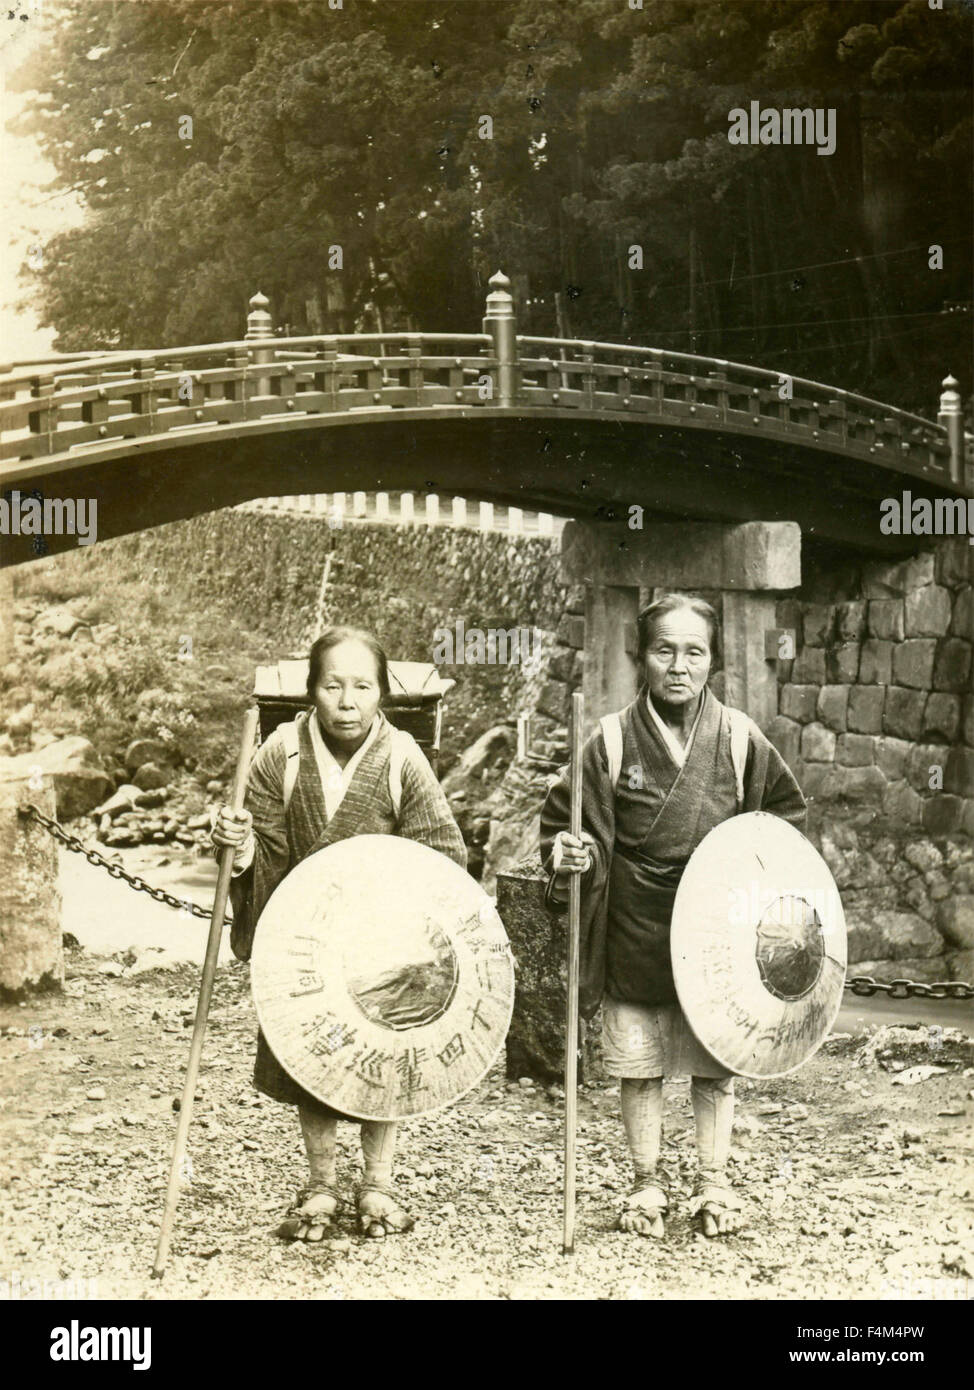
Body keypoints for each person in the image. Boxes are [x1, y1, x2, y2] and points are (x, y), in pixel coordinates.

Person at [540, 594, 805, 1239]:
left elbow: (784, 822)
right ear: (642, 656)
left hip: (717, 930)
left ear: (713, 660)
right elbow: (565, 822)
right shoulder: (607, 739)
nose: (679, 666)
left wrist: (756, 886)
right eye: (664, 650)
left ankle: (714, 1181)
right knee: (642, 1063)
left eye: (695, 651)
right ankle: (645, 1183)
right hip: (635, 921)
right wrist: (569, 852)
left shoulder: (741, 739)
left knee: (716, 1061)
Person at [211, 626, 466, 1241]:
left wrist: (398, 913)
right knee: (312, 1057)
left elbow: (443, 854)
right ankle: (321, 1184)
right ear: (311, 692)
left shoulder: (403, 758)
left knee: (386, 1053)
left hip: (384, 943)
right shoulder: (281, 754)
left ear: (382, 694)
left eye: (362, 686)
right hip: (306, 942)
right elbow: (265, 850)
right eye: (333, 686)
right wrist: (240, 847)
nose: (347, 701)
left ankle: (378, 1184)